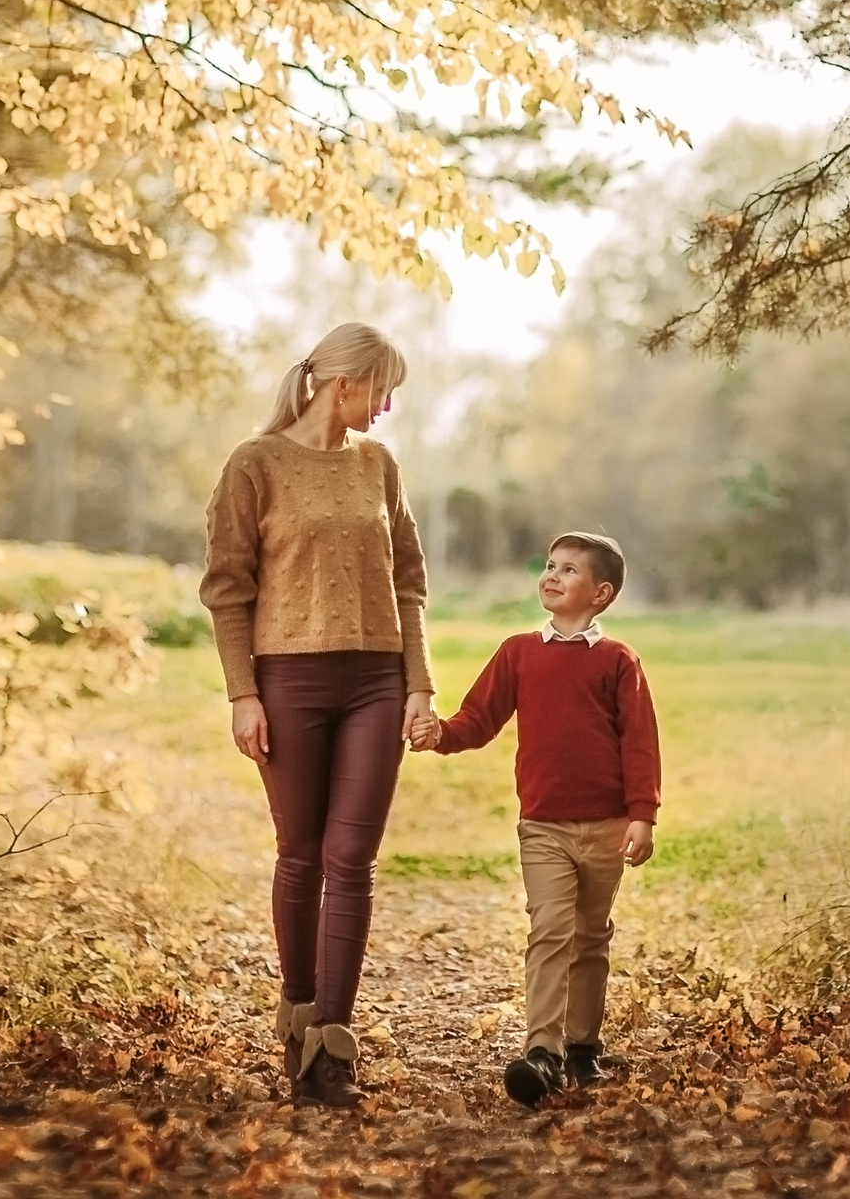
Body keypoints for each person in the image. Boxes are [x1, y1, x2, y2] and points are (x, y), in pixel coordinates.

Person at [199, 323, 434, 1109]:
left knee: (351, 858)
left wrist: (419, 685)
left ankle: (333, 1045)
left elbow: (410, 582)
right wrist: (243, 693)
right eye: (382, 388)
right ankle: (297, 1019)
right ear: (344, 384)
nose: (389, 404)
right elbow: (228, 588)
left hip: (376, 677)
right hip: (288, 681)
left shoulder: (378, 466)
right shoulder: (254, 465)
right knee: (300, 854)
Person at [419, 530, 660, 1108]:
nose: (552, 576)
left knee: (590, 937)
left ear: (600, 594)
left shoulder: (618, 661)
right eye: (549, 566)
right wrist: (440, 736)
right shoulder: (518, 652)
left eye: (569, 570)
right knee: (550, 929)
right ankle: (542, 1052)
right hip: (544, 826)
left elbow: (640, 743)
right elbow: (479, 719)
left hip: (605, 826)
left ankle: (583, 1049)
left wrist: (641, 815)